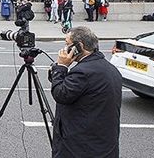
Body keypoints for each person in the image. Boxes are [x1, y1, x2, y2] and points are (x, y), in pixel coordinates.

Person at [50, 26, 122, 158]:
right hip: (103, 142)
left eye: (67, 44)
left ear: (79, 46)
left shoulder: (82, 72)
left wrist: (61, 68)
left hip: (81, 147)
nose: (65, 49)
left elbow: (61, 94)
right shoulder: (109, 68)